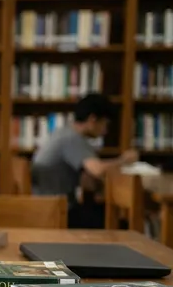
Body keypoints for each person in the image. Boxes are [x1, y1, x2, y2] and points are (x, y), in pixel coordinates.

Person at [31, 93, 138, 228]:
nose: (105, 131)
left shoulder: (64, 132)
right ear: (92, 120)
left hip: (46, 206)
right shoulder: (72, 139)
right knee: (120, 224)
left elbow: (88, 181)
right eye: (105, 124)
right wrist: (124, 160)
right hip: (57, 212)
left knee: (102, 211)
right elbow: (97, 170)